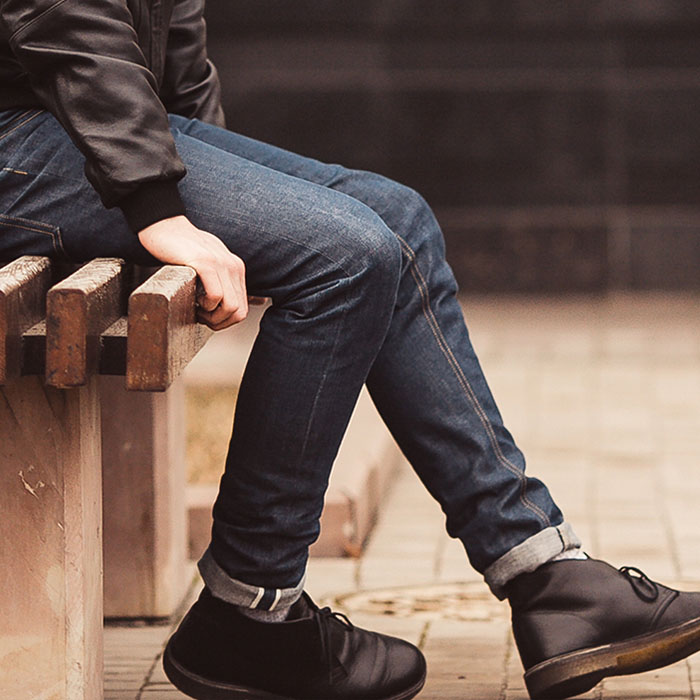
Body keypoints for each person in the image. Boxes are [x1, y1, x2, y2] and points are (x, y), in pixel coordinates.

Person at [1, 1, 699, 699]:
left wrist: (231, 189)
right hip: (22, 139)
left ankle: (547, 575)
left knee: (400, 222)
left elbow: (169, 21)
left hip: (75, 120)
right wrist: (157, 206)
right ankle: (250, 606)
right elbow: (62, 12)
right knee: (348, 257)